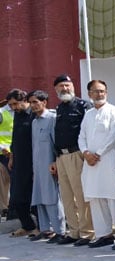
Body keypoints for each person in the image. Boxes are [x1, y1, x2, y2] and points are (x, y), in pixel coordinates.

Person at [78, 80, 115, 249]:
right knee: (96, 199)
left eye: (102, 91)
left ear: (106, 93)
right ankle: (104, 234)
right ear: (89, 94)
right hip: (91, 164)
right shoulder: (88, 114)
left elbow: (114, 135)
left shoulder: (114, 111)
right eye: (95, 91)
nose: (99, 94)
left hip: (108, 161)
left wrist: (98, 153)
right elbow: (81, 136)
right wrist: (86, 153)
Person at [51, 74, 94, 245]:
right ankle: (74, 231)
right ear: (56, 90)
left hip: (77, 154)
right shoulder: (59, 108)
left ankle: (87, 232)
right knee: (67, 197)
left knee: (81, 195)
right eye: (61, 86)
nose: (64, 89)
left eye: (67, 85)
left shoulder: (83, 106)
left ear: (73, 86)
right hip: (61, 157)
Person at [28, 90, 66, 242]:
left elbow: (56, 143)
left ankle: (60, 230)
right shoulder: (34, 122)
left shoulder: (52, 118)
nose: (33, 105)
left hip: (50, 165)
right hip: (37, 166)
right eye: (31, 102)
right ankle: (45, 229)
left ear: (44, 102)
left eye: (36, 102)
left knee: (52, 197)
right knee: (39, 197)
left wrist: (56, 162)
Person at [6, 89, 38, 237]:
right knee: (17, 198)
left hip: (32, 162)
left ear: (24, 100)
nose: (13, 108)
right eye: (11, 105)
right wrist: (12, 157)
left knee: (35, 197)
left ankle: (43, 227)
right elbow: (14, 138)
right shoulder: (17, 116)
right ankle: (27, 226)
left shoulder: (33, 115)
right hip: (18, 162)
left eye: (15, 104)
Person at [0, 97, 13, 216]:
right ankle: (5, 208)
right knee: (3, 181)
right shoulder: (2, 113)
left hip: (16, 152)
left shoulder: (23, 112)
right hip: (3, 153)